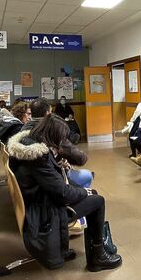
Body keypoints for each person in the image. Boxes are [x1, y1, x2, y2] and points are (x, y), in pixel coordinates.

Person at [7, 114, 122, 272]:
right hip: (46, 213)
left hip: (39, 203)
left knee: (91, 194)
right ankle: (97, 257)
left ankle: (100, 246)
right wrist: (83, 191)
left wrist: (82, 191)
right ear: (54, 136)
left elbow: (55, 185)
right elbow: (62, 194)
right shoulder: (39, 158)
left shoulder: (28, 147)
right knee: (98, 201)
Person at [21, 98, 92, 234]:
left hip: (35, 187)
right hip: (46, 195)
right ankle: (78, 219)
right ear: (48, 113)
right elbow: (80, 158)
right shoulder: (50, 131)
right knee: (87, 176)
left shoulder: (24, 130)